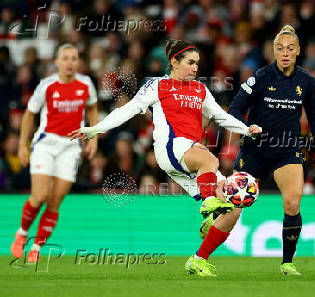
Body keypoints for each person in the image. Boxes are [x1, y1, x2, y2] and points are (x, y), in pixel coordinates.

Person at [69, 39, 262, 276]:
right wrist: (94, 129)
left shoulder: (200, 89)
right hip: (172, 147)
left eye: (197, 64)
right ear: (174, 61)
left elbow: (220, 117)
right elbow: (127, 110)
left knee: (235, 207)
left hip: (187, 157)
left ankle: (199, 259)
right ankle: (209, 204)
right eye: (190, 63)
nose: (195, 68)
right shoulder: (157, 85)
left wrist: (246, 129)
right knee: (210, 159)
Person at [203, 25, 315, 276]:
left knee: (292, 203)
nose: (285, 53)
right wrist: (246, 128)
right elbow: (235, 109)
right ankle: (202, 253)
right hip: (254, 150)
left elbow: (314, 116)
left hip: (287, 151)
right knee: (234, 208)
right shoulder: (259, 77)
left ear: (298, 51)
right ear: (273, 50)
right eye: (280, 48)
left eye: (290, 48)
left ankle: (287, 263)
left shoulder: (307, 81)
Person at [11, 44, 99, 262]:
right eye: (65, 58)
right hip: (46, 144)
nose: (70, 62)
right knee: (39, 196)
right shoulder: (47, 85)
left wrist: (93, 136)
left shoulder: (86, 84)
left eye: (74, 58)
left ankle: (37, 248)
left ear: (78, 62)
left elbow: (93, 108)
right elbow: (29, 115)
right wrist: (23, 145)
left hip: (71, 147)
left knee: (55, 200)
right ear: (57, 62)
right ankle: (22, 234)